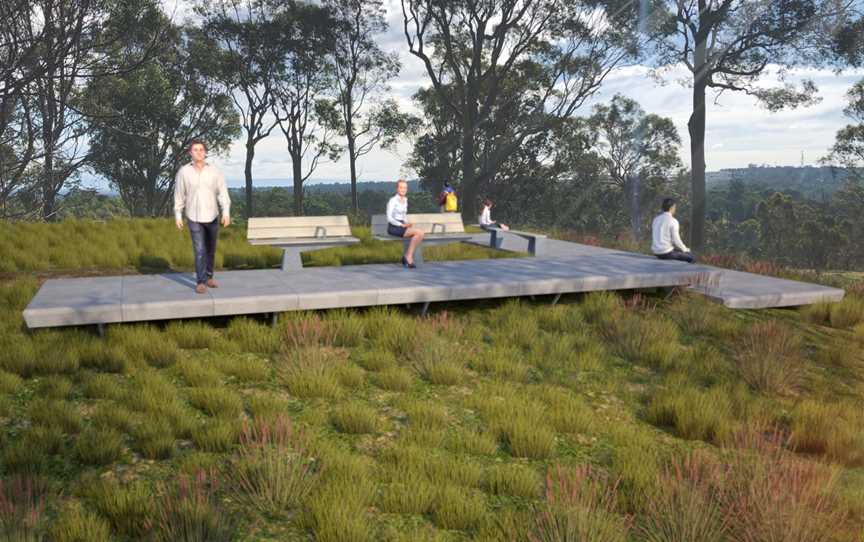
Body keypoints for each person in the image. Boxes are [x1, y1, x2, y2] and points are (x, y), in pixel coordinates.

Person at [174, 139, 231, 293]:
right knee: (199, 249)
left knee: (210, 249)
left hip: (212, 216)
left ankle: (209, 276)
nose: (198, 152)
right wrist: (178, 215)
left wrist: (226, 212)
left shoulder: (215, 171)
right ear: (190, 153)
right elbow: (179, 195)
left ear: (205, 152)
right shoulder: (184, 172)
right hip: (193, 216)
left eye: (201, 149)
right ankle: (200, 281)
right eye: (195, 150)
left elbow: (222, 193)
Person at [386, 179, 425, 268]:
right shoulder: (392, 201)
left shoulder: (405, 200)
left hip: (402, 226)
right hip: (394, 227)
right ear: (397, 189)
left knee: (419, 233)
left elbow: (403, 215)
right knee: (419, 233)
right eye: (401, 187)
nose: (403, 189)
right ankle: (408, 257)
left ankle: (407, 256)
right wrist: (401, 225)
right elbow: (389, 218)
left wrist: (407, 223)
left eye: (405, 188)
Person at [651, 198, 695, 263]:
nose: (675, 209)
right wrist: (685, 250)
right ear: (672, 207)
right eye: (675, 207)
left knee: (679, 251)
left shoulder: (656, 219)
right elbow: (676, 240)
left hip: (656, 252)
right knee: (692, 257)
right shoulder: (673, 221)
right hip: (666, 253)